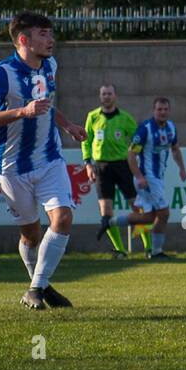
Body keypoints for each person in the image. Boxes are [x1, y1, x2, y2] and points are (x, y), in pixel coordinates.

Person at [0, 12, 88, 310]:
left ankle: (36, 287)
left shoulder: (50, 65)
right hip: (12, 167)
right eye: (43, 34)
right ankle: (41, 286)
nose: (51, 40)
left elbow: (47, 106)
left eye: (51, 33)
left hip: (50, 158)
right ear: (23, 39)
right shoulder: (1, 73)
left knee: (63, 218)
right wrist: (21, 112)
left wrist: (68, 125)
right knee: (31, 234)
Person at [110, 97, 186, 259]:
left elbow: (175, 149)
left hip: (157, 178)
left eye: (165, 109)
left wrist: (182, 168)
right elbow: (131, 154)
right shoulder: (145, 129)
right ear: (154, 111)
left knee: (150, 217)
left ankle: (110, 222)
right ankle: (156, 251)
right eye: (159, 109)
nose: (163, 112)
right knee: (164, 213)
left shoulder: (171, 128)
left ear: (169, 111)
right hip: (147, 178)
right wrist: (139, 176)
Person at [84, 85, 139, 257]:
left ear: (115, 96)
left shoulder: (125, 118)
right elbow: (85, 141)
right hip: (101, 167)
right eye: (103, 94)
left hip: (123, 166)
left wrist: (134, 155)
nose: (106, 97)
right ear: (100, 97)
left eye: (109, 94)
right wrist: (87, 163)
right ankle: (120, 250)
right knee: (106, 211)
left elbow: (138, 138)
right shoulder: (92, 117)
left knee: (137, 207)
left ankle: (150, 249)